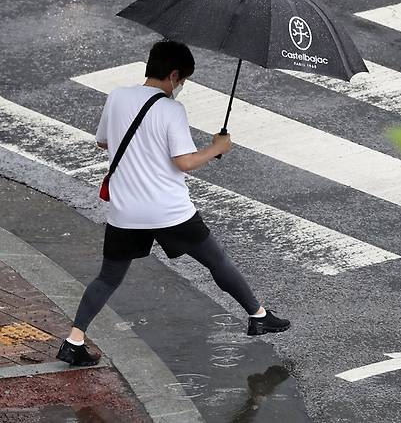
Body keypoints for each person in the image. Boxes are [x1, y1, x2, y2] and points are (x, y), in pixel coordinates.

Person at [57, 40, 290, 367]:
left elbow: (103, 143)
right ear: (174, 74)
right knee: (216, 261)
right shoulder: (171, 110)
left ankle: (74, 340)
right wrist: (216, 147)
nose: (180, 87)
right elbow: (184, 162)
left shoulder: (118, 96)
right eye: (182, 81)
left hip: (126, 212)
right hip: (169, 211)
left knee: (108, 277)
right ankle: (258, 315)